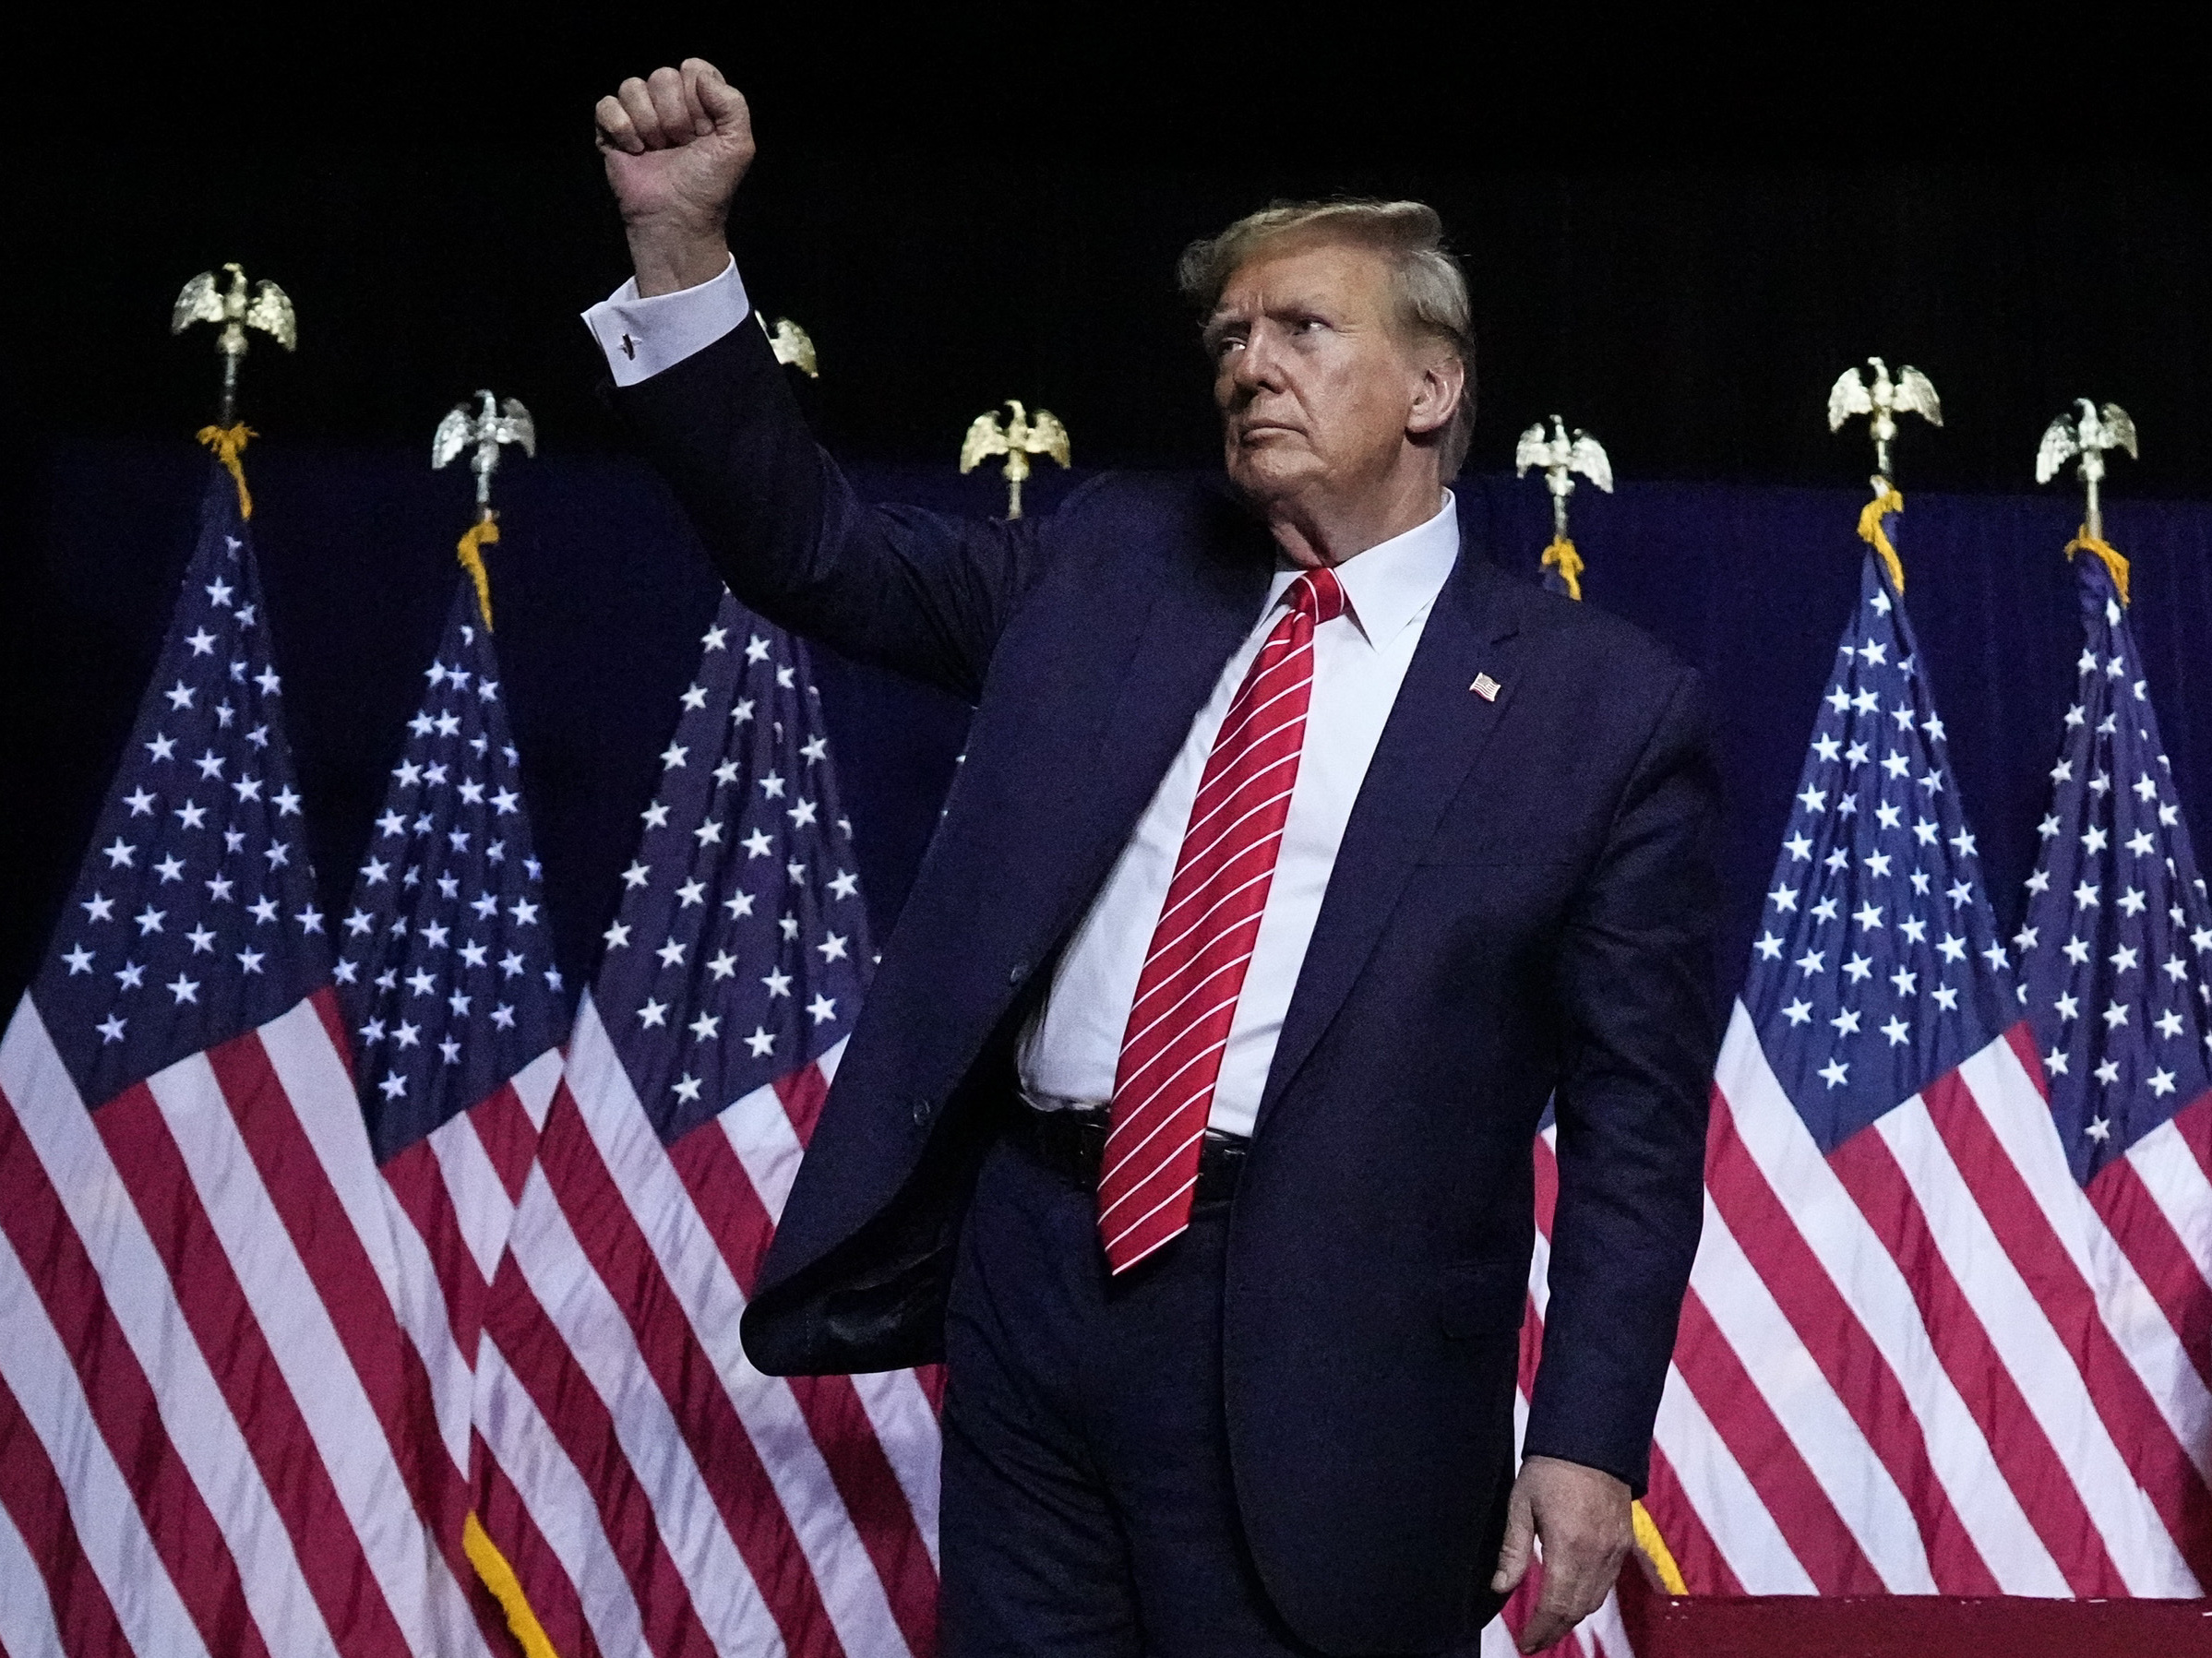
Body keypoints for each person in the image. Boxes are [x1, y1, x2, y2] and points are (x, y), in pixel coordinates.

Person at [584, 58, 1719, 1658]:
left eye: (1302, 330)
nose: (1250, 366)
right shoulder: (1115, 561)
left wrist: (1588, 1435)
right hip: (1041, 1276)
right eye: (1229, 340)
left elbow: (1634, 1127)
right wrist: (683, 256)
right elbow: (816, 553)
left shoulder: (1600, 710)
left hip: (1335, 1348)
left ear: (1432, 386)